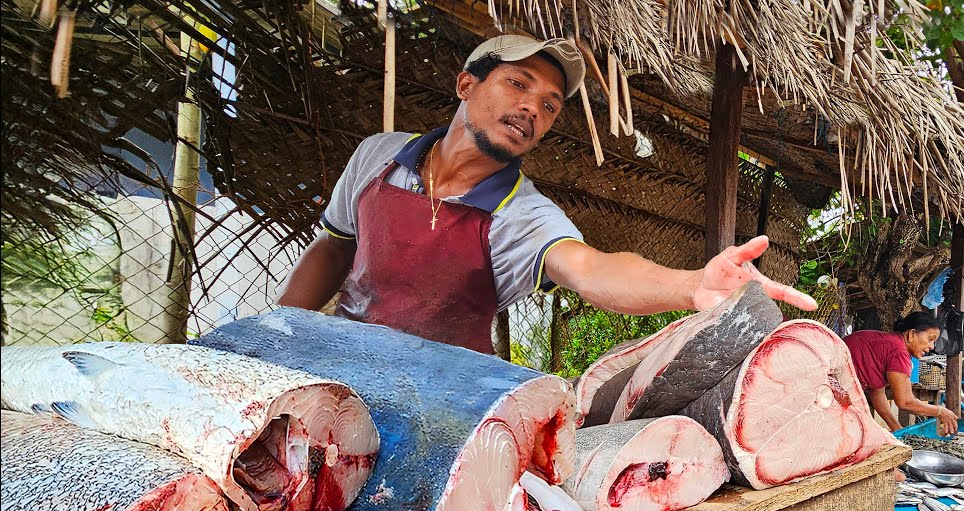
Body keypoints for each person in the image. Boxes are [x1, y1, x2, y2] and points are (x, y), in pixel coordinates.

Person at [275, 35, 815, 353]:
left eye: (551, 105)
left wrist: (692, 283)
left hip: (438, 402)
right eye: (518, 84)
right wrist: (280, 335)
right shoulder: (378, 156)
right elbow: (335, 245)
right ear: (467, 85)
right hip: (339, 362)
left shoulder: (523, 214)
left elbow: (594, 269)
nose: (534, 107)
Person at [843, 312, 960, 436]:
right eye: (930, 339)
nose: (932, 346)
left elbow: (878, 393)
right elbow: (905, 402)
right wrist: (940, 411)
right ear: (911, 334)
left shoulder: (891, 344)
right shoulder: (899, 352)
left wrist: (897, 428)